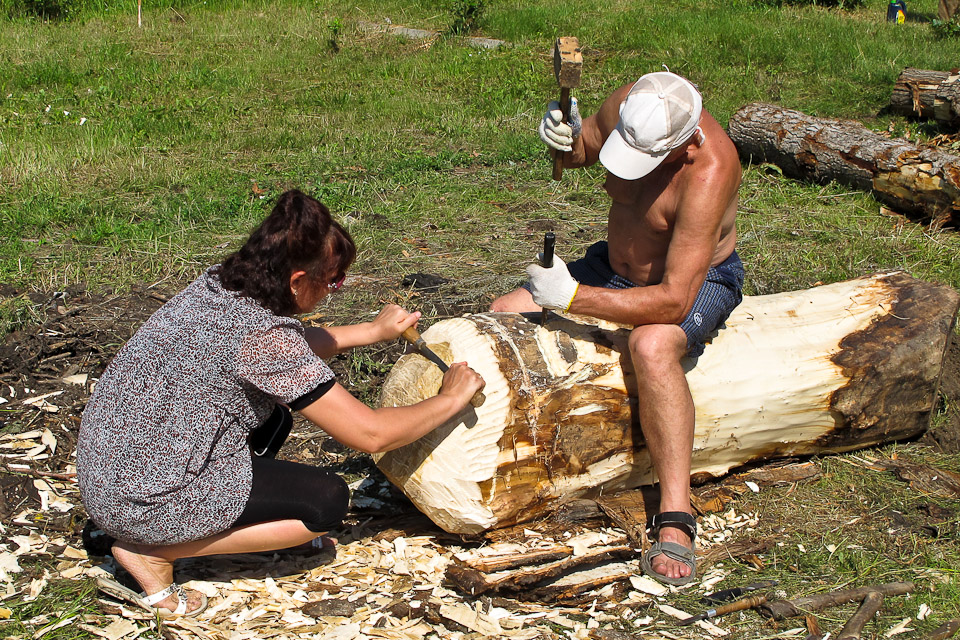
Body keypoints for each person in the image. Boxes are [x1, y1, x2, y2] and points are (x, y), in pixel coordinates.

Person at [77, 189, 485, 616]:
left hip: (108, 471)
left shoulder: (220, 283)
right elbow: (370, 434)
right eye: (333, 281)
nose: (333, 291)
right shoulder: (264, 339)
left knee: (275, 418)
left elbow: (278, 350)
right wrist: (451, 398)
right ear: (296, 281)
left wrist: (370, 331)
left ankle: (170, 527)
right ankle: (155, 551)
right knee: (324, 503)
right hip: (142, 498)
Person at [490, 71, 744, 586]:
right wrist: (564, 135)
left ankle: (676, 515)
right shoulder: (636, 103)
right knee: (504, 311)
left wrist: (572, 298)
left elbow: (674, 300)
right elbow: (583, 150)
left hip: (693, 281)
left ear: (685, 145)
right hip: (614, 265)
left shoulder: (710, 171)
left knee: (651, 345)